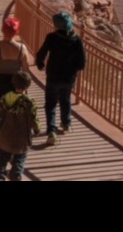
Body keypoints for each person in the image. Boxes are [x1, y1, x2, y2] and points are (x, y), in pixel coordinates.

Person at [36, 11, 86, 146]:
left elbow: (41, 53)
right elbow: (82, 62)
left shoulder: (52, 37)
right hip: (69, 77)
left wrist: (40, 64)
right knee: (65, 99)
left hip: (53, 76)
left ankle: (51, 131)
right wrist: (74, 69)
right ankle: (66, 123)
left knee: (51, 103)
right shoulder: (76, 40)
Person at [0, 71, 41, 181]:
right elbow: (34, 119)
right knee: (19, 158)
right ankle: (16, 174)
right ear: (28, 85)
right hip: (22, 139)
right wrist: (37, 129)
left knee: (1, 160)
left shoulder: (5, 98)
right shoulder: (30, 102)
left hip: (4, 136)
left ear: (13, 83)